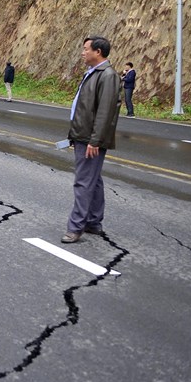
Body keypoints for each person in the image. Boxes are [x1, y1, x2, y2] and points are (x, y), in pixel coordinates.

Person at [62, 36, 122, 244]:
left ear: (98, 52)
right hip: (83, 135)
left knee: (83, 182)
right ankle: (94, 222)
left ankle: (75, 227)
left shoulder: (107, 76)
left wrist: (94, 141)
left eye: (86, 49)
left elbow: (105, 112)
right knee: (93, 180)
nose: (82, 52)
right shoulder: (93, 73)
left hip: (90, 139)